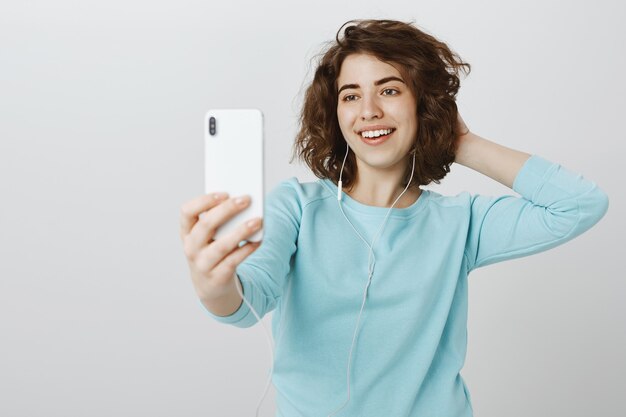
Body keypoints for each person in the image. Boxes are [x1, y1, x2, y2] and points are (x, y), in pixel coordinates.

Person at [179, 19, 609, 417]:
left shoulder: (461, 222)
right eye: (351, 96)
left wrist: (461, 142)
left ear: (422, 104)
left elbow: (580, 204)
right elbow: (246, 303)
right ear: (336, 113)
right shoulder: (296, 206)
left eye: (389, 90)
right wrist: (214, 286)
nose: (368, 111)